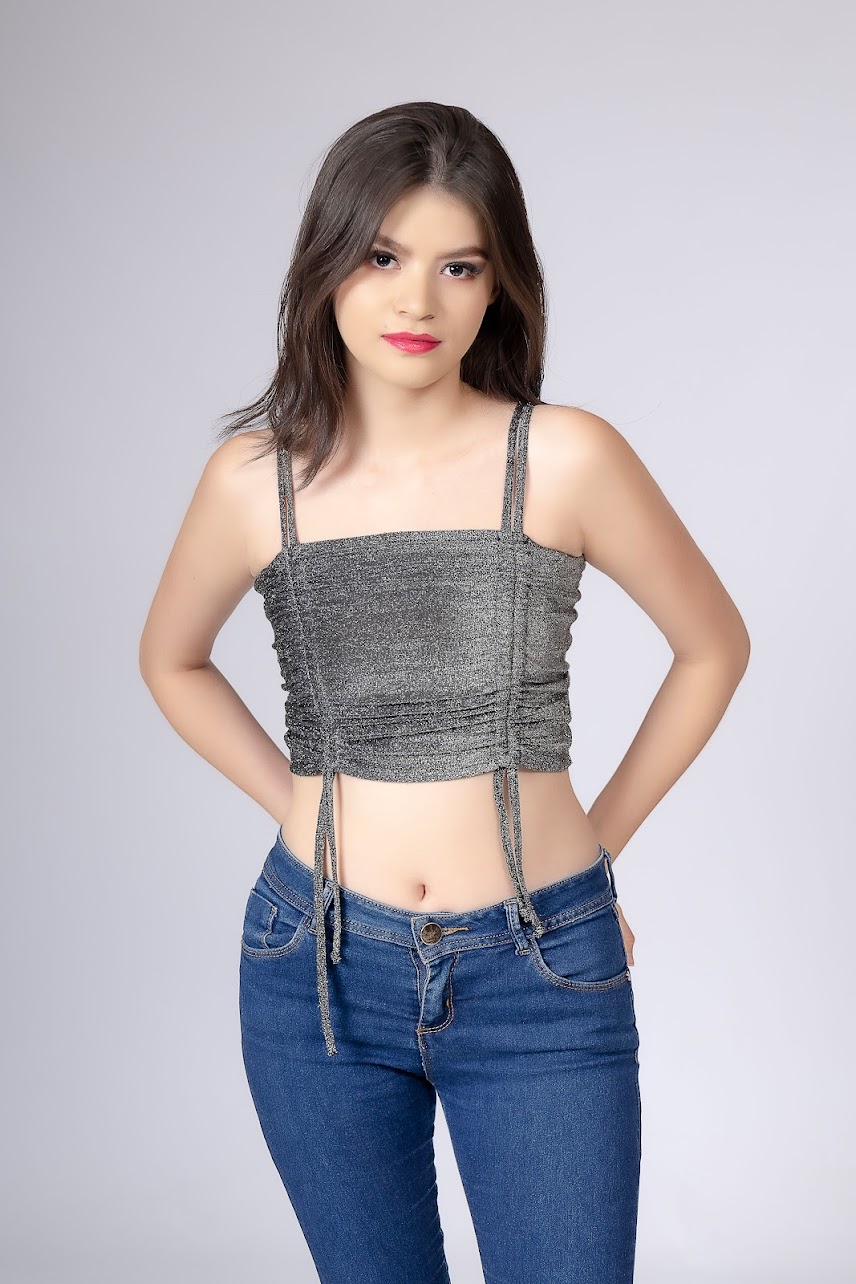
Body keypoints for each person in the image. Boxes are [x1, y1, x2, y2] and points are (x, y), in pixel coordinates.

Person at [139, 101, 750, 1284]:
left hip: (540, 966)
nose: (416, 300)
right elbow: (171, 658)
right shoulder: (253, 479)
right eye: (383, 257)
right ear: (326, 264)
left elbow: (712, 647)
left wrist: (593, 858)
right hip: (315, 961)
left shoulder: (564, 456)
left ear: (497, 285)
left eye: (457, 265)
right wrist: (295, 804)